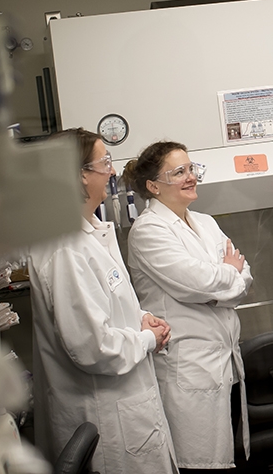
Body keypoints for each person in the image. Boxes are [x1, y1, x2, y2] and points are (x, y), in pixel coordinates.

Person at [27, 128, 177, 474]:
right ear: (78, 175)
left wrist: (140, 318)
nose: (112, 170)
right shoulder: (64, 246)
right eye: (104, 162)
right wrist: (147, 339)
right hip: (106, 421)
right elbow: (92, 347)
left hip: (125, 411)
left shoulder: (90, 232)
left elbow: (106, 305)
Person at [124, 141, 252, 471]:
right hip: (188, 367)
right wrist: (225, 278)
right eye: (179, 171)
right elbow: (196, 282)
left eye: (191, 169)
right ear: (153, 186)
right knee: (198, 464)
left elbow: (244, 277)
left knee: (229, 457)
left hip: (225, 365)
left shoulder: (206, 222)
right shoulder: (148, 230)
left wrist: (221, 285)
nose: (190, 176)